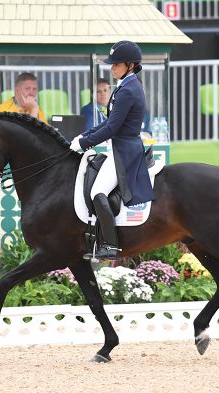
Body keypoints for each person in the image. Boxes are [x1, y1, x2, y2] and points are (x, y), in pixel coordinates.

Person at [69, 40, 155, 261]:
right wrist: (84, 136)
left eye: (116, 64)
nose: (112, 68)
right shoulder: (125, 86)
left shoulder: (128, 90)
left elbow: (112, 128)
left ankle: (110, 245)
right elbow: (109, 122)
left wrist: (84, 143)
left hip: (125, 151)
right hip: (118, 147)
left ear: (130, 65)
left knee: (98, 191)